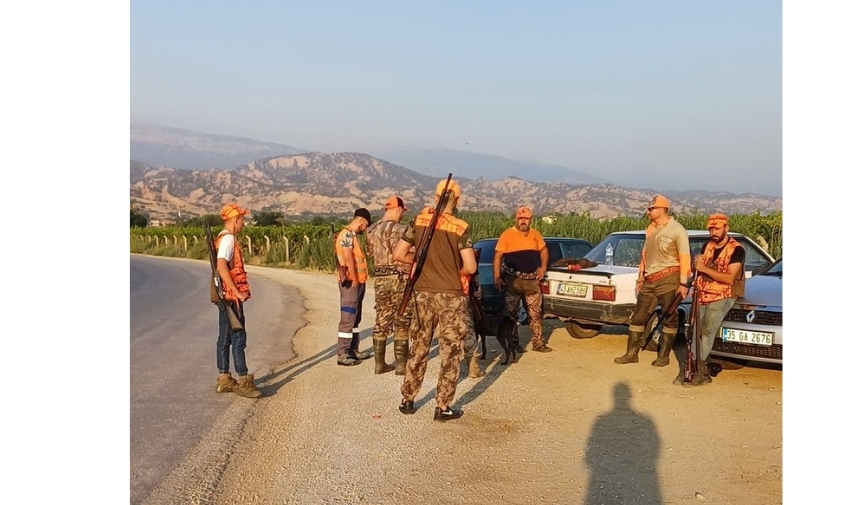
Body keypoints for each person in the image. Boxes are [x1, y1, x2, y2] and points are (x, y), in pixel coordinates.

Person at [392, 178, 477, 421]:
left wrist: (418, 264)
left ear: (434, 196)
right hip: (451, 295)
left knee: (419, 346)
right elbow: (470, 267)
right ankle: (443, 407)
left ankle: (408, 399)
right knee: (450, 352)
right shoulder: (460, 227)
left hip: (422, 293)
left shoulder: (418, 221)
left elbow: (398, 254)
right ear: (457, 200)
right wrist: (453, 270)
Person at [615, 195, 691, 366]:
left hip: (669, 276)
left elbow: (684, 256)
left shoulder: (677, 230)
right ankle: (631, 354)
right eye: (649, 209)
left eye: (652, 209)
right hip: (650, 278)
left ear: (663, 209)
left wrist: (684, 283)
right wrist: (641, 276)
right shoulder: (650, 229)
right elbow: (644, 254)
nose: (648, 212)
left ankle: (663, 357)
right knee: (637, 317)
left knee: (669, 316)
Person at [677, 213, 745, 386]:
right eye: (711, 229)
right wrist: (696, 266)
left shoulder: (736, 249)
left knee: (707, 332)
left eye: (717, 228)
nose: (714, 232)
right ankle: (694, 367)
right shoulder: (707, 246)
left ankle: (694, 368)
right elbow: (698, 269)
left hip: (723, 294)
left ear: (726, 228)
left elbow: (729, 278)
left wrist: (704, 268)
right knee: (691, 331)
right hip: (701, 293)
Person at [214, 203, 262, 398]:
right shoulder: (229, 240)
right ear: (235, 220)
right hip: (231, 297)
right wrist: (236, 291)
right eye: (242, 219)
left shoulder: (221, 238)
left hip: (225, 296)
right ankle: (244, 380)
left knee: (224, 339)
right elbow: (221, 266)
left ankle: (224, 379)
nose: (244, 223)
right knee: (238, 338)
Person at [364, 196, 413, 375]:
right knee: (402, 318)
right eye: (403, 210)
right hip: (400, 278)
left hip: (380, 279)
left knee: (381, 319)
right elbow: (411, 253)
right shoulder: (402, 229)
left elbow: (370, 253)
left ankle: (380, 364)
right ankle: (401, 366)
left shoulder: (371, 230)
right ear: (399, 209)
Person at [492, 206, 552, 353]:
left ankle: (538, 343)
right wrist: (497, 276)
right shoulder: (507, 235)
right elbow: (498, 256)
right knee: (511, 314)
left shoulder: (535, 235)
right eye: (520, 219)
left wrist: (543, 267)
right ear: (516, 220)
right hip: (513, 280)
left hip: (532, 281)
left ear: (531, 220)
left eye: (526, 218)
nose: (523, 221)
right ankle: (514, 344)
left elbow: (544, 250)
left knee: (535, 313)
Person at [334, 208, 374, 366]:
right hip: (351, 283)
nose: (365, 229)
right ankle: (343, 353)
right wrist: (355, 279)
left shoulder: (352, 236)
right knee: (348, 318)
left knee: (355, 318)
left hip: (358, 282)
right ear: (362, 221)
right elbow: (349, 258)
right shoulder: (347, 235)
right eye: (366, 225)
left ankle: (353, 349)